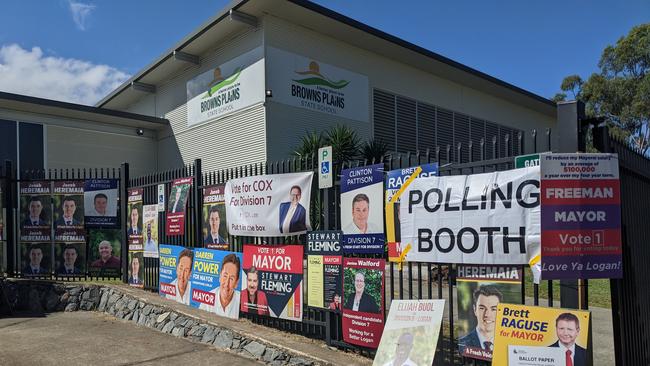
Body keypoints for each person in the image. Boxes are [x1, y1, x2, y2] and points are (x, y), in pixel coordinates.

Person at [458, 285, 502, 355]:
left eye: (493, 309)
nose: (487, 314)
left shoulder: (507, 344)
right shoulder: (463, 343)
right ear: (475, 309)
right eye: (482, 308)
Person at [199, 253, 241, 318]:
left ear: (236, 283)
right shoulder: (207, 300)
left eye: (231, 279)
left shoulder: (241, 301)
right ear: (220, 276)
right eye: (225, 276)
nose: (227, 284)